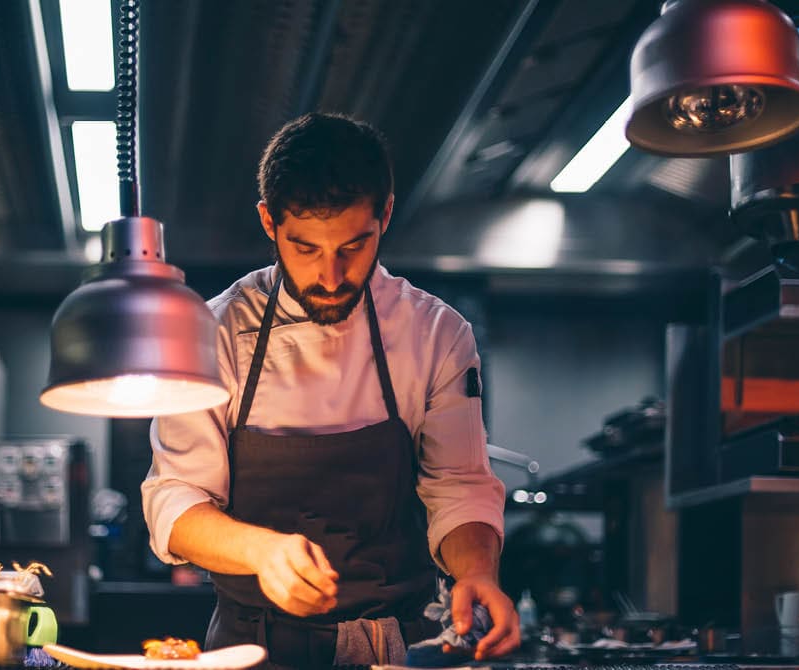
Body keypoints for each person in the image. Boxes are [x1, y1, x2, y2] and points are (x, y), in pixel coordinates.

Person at [142, 112, 518, 668]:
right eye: (306, 248)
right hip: (253, 649)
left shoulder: (435, 333)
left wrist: (478, 572)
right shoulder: (210, 333)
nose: (332, 275)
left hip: (401, 645)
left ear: (384, 215)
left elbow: (458, 485)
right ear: (270, 222)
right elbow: (175, 498)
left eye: (353, 246)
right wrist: (260, 550)